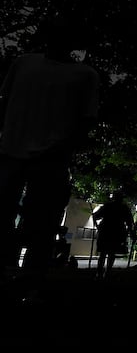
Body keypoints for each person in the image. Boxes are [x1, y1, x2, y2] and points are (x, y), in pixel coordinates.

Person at [0, 15, 100, 293]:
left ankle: (31, 276)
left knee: (41, 221)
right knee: (29, 216)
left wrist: (63, 148)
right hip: (14, 152)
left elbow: (86, 120)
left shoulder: (84, 75)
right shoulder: (24, 63)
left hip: (48, 157)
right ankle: (24, 273)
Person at [94, 191, 136, 280]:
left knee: (105, 253)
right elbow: (129, 222)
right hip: (113, 231)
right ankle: (104, 272)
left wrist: (129, 231)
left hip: (110, 231)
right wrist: (130, 231)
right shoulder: (121, 207)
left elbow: (96, 216)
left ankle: (102, 272)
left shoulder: (109, 206)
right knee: (109, 253)